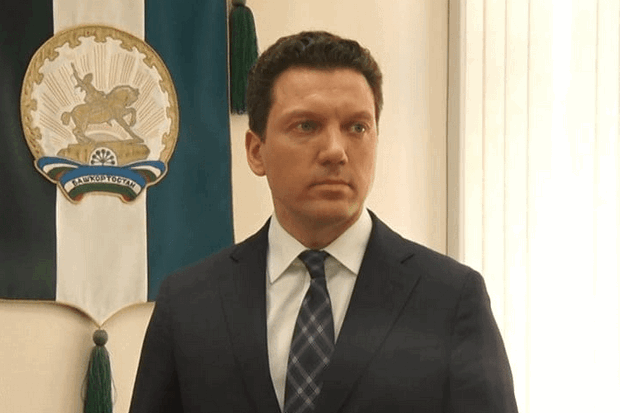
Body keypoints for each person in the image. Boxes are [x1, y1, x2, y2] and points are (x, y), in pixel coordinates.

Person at [129, 31, 518, 413]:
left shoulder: (449, 299)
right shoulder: (189, 303)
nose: (335, 151)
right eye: (307, 126)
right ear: (256, 151)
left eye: (357, 127)